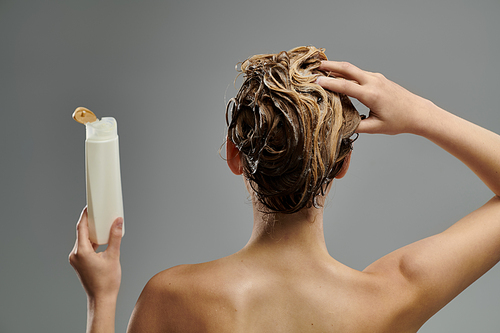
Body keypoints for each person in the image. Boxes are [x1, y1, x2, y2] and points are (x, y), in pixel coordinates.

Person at [69, 46, 500, 333]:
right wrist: (419, 113)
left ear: (235, 156)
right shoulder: (391, 296)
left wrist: (101, 299)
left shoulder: (171, 298)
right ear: (344, 163)